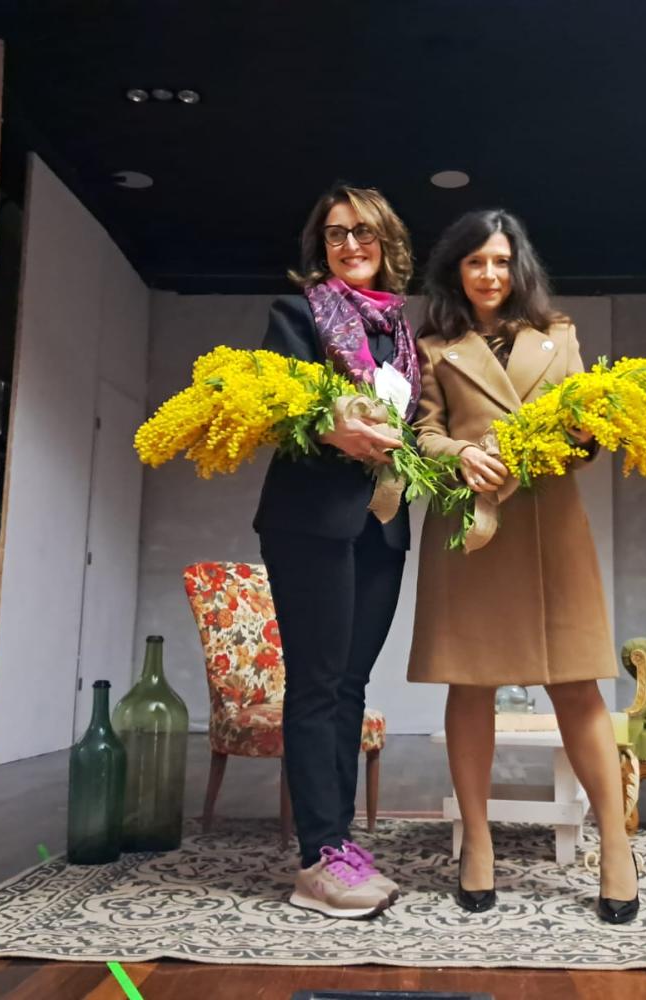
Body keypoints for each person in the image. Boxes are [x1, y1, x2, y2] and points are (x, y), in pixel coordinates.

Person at [408, 208, 639, 923]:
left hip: (549, 525)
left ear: (519, 268)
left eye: (502, 261)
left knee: (577, 684)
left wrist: (582, 434)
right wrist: (459, 454)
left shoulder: (558, 335)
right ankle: (476, 845)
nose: (490, 274)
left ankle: (615, 848)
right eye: (476, 261)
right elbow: (420, 433)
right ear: (455, 270)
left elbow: (584, 433)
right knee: (470, 683)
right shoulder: (433, 347)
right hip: (471, 525)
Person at [253, 184, 417, 919]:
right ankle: (318, 862)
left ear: (387, 241)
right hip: (310, 519)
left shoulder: (401, 334)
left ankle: (340, 843)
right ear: (320, 247)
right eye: (335, 234)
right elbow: (276, 405)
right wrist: (331, 428)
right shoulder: (296, 315)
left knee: (350, 684)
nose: (350, 245)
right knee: (317, 684)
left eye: (363, 232)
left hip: (383, 524)